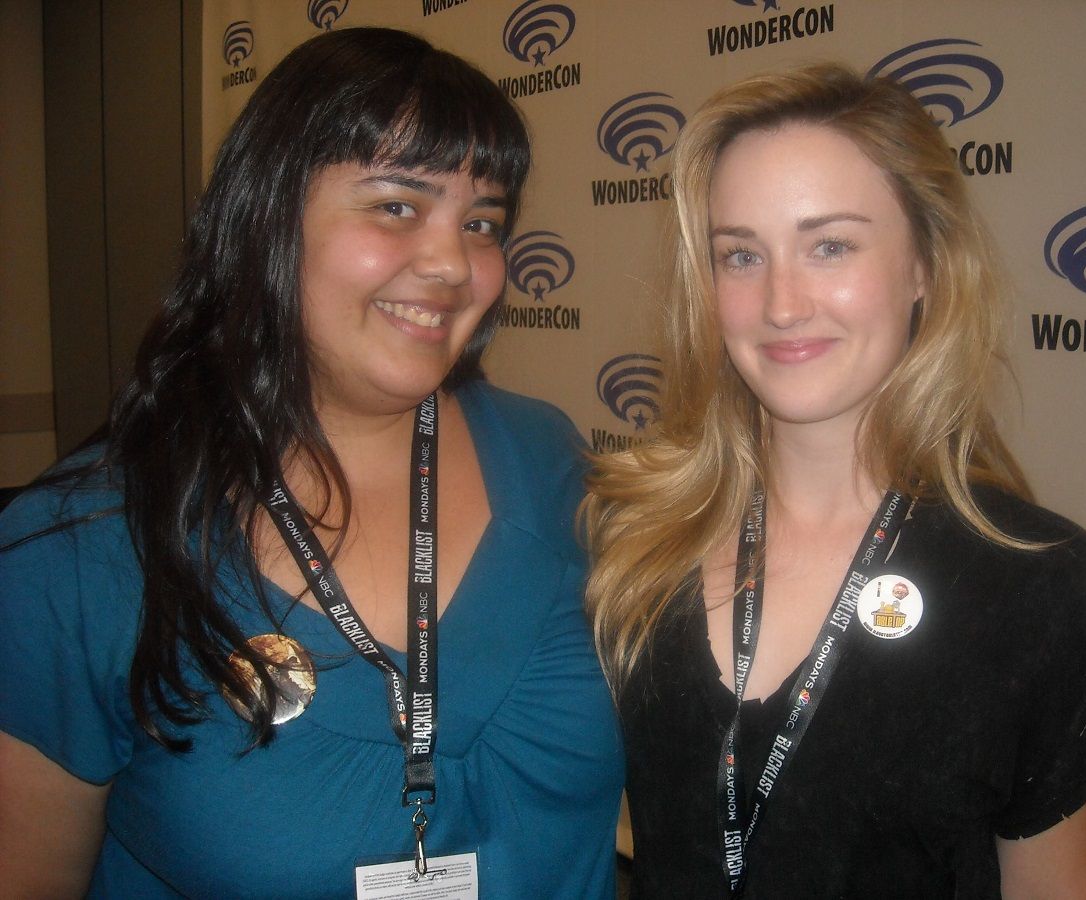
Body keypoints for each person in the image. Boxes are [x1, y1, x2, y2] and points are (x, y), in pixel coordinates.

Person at [0, 27, 622, 898]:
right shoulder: (83, 546)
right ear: (265, 215)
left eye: (482, 221)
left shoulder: (548, 457)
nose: (455, 264)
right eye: (397, 205)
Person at [583, 64, 1086, 898]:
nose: (781, 302)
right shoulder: (632, 541)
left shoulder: (1038, 586)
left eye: (831, 245)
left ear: (925, 265)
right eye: (741, 254)